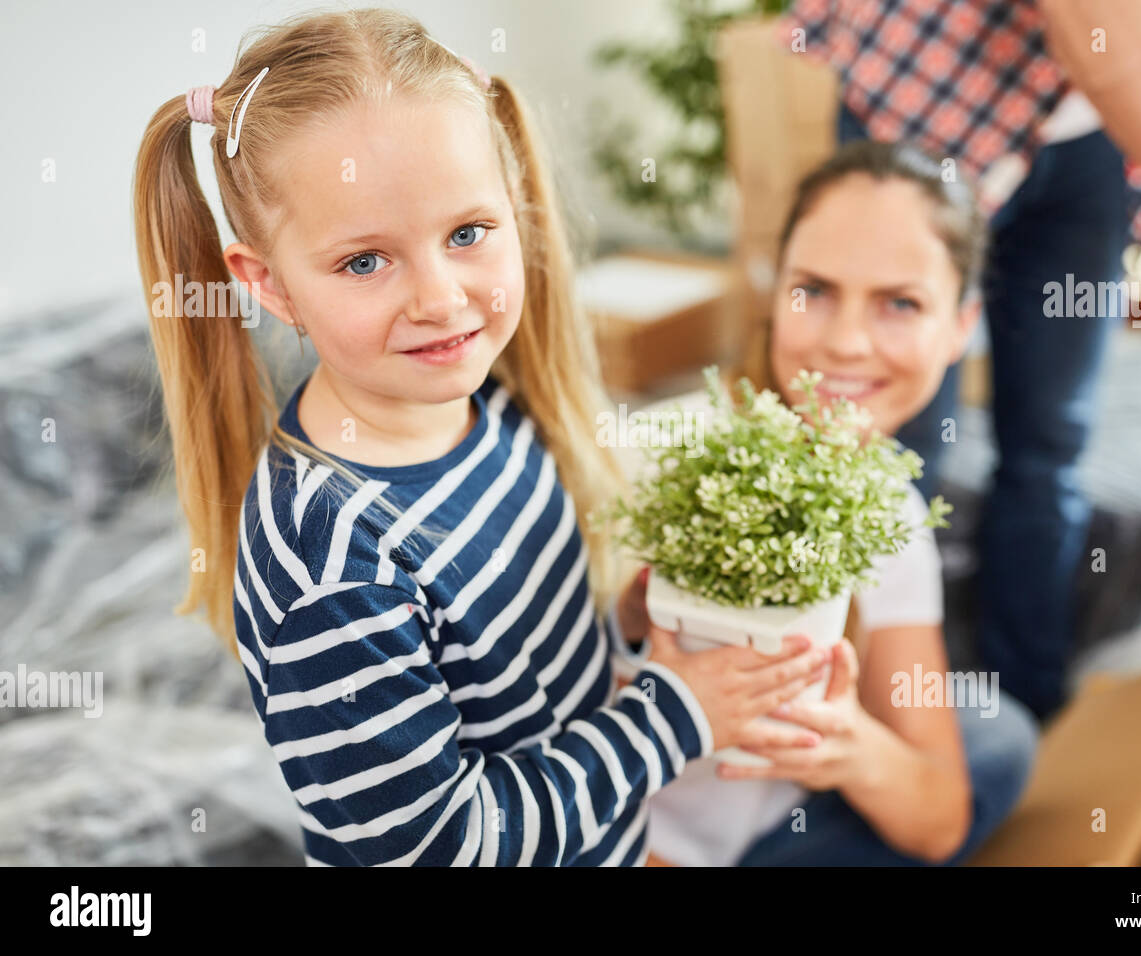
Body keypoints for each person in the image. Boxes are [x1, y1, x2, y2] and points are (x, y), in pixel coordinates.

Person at [132, 8, 831, 866]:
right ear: (269, 285)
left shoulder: (492, 403)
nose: (439, 297)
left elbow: (519, 682)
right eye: (364, 261)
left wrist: (623, 621)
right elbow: (441, 845)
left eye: (467, 233)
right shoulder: (335, 567)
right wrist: (679, 713)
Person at [781, 0, 1141, 720]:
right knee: (890, 443)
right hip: (931, 93)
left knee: (1050, 446)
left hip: (1092, 131)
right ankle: (849, 707)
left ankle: (1019, 712)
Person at [613, 140, 1038, 866]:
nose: (846, 343)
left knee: (998, 738)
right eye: (815, 290)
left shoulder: (889, 515)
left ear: (961, 329)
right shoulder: (658, 456)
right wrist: (628, 627)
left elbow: (938, 821)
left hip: (764, 829)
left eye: (900, 303)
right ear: (774, 294)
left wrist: (850, 747)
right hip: (613, 836)